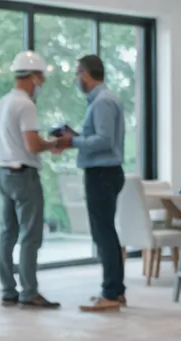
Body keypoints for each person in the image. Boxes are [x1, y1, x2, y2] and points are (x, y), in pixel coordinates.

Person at [0, 50, 64, 310]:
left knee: (7, 233)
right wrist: (53, 143)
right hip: (24, 175)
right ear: (33, 76)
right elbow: (32, 145)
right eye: (41, 78)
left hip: (2, 173)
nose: (41, 83)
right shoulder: (26, 105)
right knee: (30, 236)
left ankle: (8, 291)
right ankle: (29, 292)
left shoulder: (0, 104)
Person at [55, 54, 128, 312]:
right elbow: (98, 136)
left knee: (104, 234)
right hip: (104, 173)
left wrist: (72, 142)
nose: (77, 79)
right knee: (105, 232)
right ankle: (116, 291)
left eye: (77, 74)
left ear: (86, 73)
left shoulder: (103, 102)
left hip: (102, 174)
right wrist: (75, 136)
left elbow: (104, 140)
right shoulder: (101, 101)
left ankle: (110, 293)